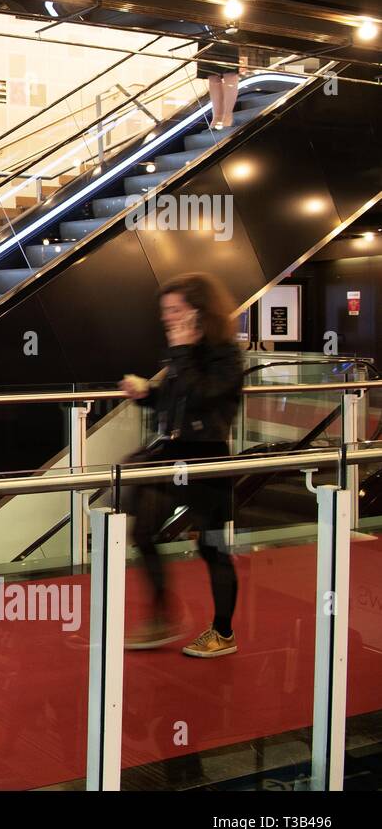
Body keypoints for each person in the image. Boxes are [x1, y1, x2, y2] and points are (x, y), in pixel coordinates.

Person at [120, 272, 242, 658]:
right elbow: (172, 403)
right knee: (143, 532)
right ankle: (161, 616)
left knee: (213, 546)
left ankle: (223, 633)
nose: (167, 317)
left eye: (175, 309)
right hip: (172, 456)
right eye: (165, 311)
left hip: (207, 460)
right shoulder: (182, 350)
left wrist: (184, 351)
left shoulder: (224, 353)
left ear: (198, 310)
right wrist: (146, 393)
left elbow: (206, 396)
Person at [196, 31, 241, 131]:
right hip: (208, 31)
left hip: (227, 29)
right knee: (212, 75)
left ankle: (227, 115)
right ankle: (217, 116)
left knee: (230, 74)